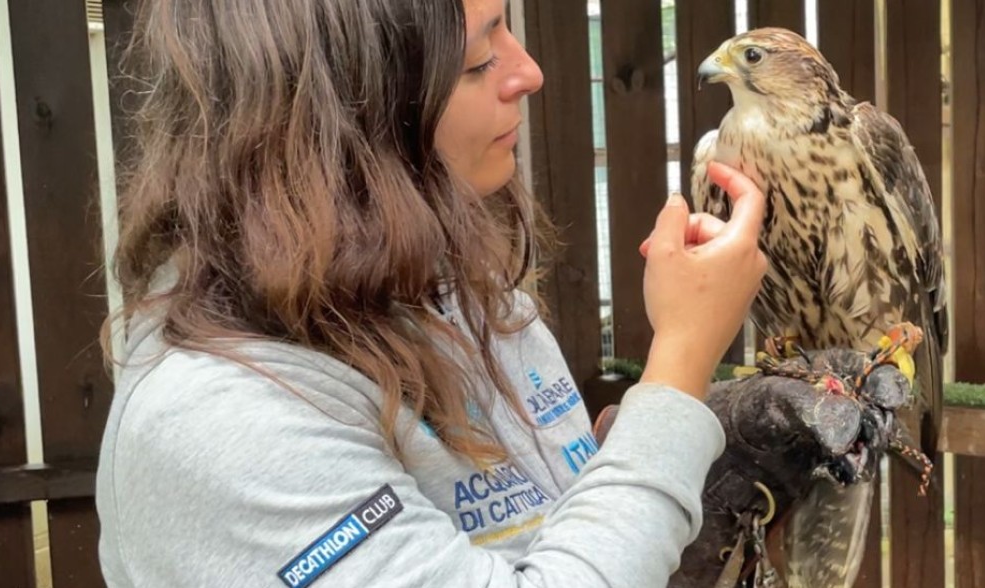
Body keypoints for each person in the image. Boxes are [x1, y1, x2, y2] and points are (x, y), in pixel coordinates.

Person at [92, 0, 769, 585]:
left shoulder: (470, 301)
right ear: (350, 113)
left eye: (507, 29)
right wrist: (680, 365)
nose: (529, 72)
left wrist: (668, 457)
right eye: (478, 61)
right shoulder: (222, 424)